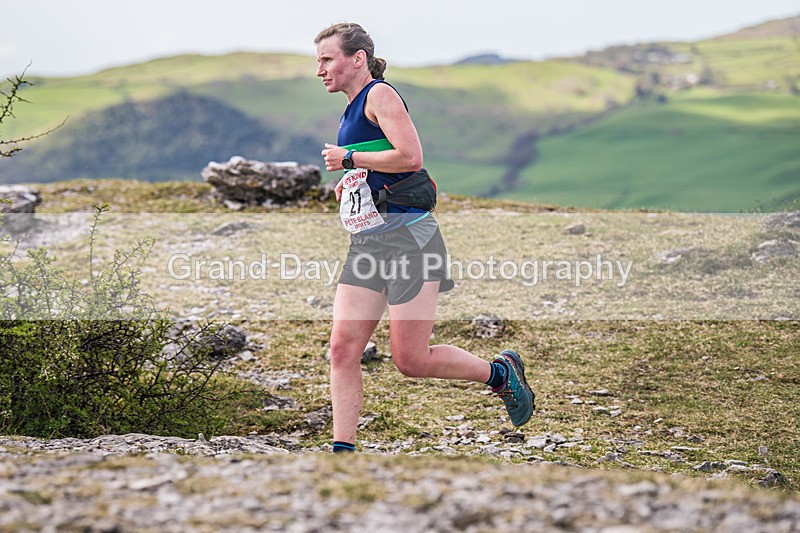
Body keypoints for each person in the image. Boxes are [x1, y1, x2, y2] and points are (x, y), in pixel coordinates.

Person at [314, 22, 534, 453]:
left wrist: (350, 159)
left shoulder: (379, 94)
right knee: (342, 349)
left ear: (357, 59)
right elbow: (382, 157)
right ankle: (342, 453)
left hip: (409, 239)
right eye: (318, 61)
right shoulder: (352, 107)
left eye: (326, 59)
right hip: (369, 242)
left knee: (411, 360)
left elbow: (411, 156)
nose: (319, 70)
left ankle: (500, 374)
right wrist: (355, 181)